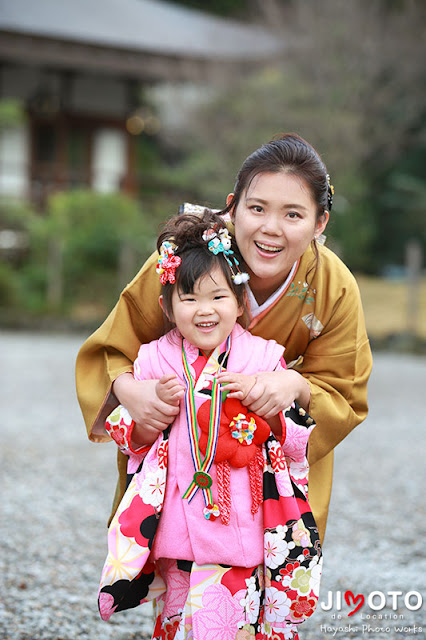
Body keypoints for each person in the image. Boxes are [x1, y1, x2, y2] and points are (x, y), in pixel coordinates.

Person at [76, 132, 372, 545]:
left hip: (269, 464)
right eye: (256, 208)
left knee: (263, 577)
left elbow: (344, 388)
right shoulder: (184, 257)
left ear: (320, 222)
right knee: (176, 567)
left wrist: (294, 383)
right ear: (232, 207)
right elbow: (115, 346)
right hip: (181, 451)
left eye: (293, 215)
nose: (271, 229)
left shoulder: (333, 285)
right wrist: (131, 392)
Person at [97, 210, 322, 640]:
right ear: (167, 305)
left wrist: (268, 401)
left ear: (240, 302)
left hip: (243, 526)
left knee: (234, 627)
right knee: (174, 624)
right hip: (177, 531)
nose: (205, 311)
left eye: (218, 298)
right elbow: (129, 438)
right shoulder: (153, 360)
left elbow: (297, 442)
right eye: (189, 298)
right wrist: (149, 413)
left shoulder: (262, 361)